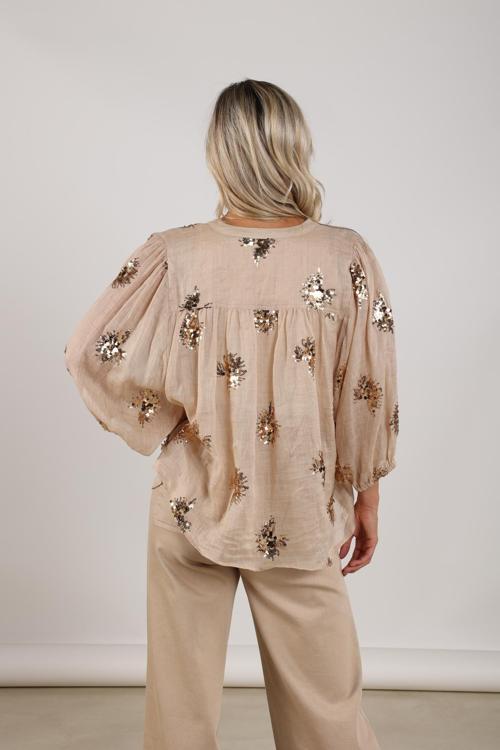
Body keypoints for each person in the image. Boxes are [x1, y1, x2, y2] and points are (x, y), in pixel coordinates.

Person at [64, 78, 398, 750]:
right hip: (300, 505)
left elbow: (86, 350)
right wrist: (367, 493)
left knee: (179, 712)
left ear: (220, 154)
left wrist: (165, 427)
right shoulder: (345, 255)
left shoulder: (175, 252)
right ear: (295, 148)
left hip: (191, 499)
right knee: (327, 710)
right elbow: (368, 387)